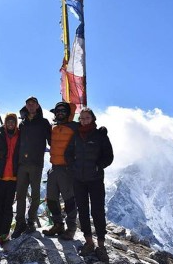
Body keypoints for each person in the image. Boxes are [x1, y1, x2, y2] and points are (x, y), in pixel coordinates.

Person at [65, 107, 114, 263]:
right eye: (82, 118)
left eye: (86, 118)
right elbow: (68, 153)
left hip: (95, 179)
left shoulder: (100, 136)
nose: (84, 120)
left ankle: (101, 245)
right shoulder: (76, 136)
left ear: (93, 119)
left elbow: (109, 156)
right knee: (83, 211)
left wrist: (98, 166)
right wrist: (73, 167)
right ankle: (89, 242)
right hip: (78, 180)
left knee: (98, 211)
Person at [11, 96, 51, 239]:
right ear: (26, 106)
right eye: (29, 104)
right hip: (22, 164)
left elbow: (52, 141)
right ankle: (20, 223)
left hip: (36, 164)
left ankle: (31, 222)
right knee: (20, 195)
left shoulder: (44, 123)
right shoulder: (22, 124)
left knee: (35, 196)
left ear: (38, 106)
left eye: (33, 104)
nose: (31, 106)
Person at [42, 102, 78, 240]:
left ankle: (71, 228)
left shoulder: (75, 127)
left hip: (67, 169)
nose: (60, 112)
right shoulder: (54, 128)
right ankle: (58, 224)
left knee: (69, 200)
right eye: (58, 111)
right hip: (54, 168)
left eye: (63, 110)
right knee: (51, 199)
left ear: (68, 113)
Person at [0, 113, 20, 245]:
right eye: (9, 122)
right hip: (1, 177)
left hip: (13, 177)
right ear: (5, 124)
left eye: (13, 122)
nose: (11, 124)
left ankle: (4, 233)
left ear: (16, 123)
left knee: (7, 207)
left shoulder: (20, 136)